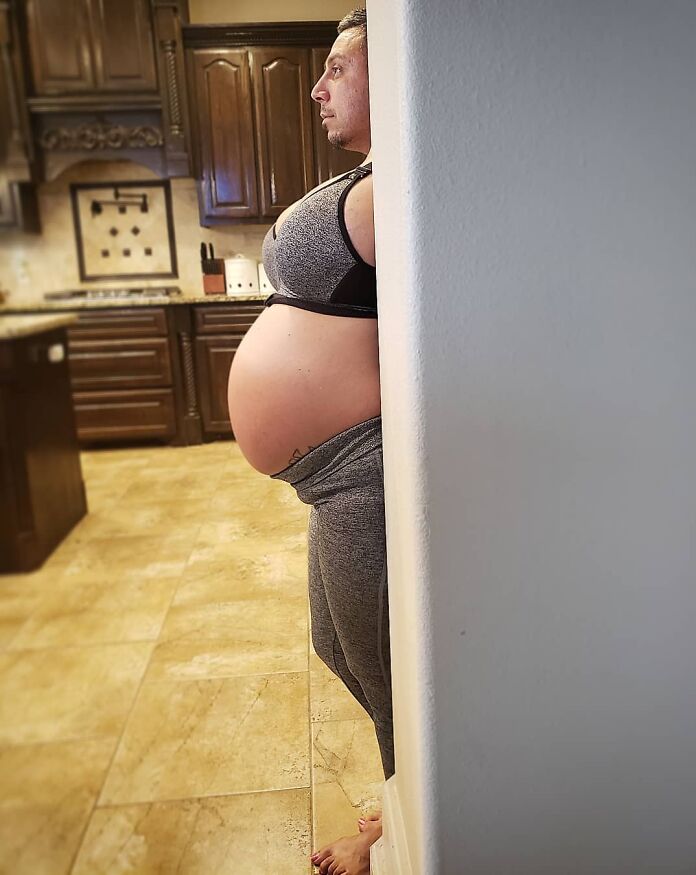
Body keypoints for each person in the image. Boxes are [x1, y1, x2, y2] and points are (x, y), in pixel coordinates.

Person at [227, 8, 390, 874]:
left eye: (338, 67)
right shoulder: (374, 178)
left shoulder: (410, 183)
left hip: (363, 467)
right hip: (331, 476)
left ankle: (398, 831)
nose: (319, 87)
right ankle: (403, 799)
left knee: (401, 675)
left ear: (395, 68)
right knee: (338, 645)